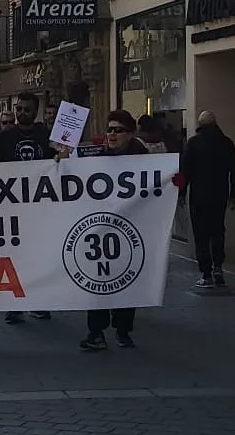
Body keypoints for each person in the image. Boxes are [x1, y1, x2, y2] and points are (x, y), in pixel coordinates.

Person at [80, 110, 148, 351]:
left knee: (126, 281)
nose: (111, 134)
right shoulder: (97, 157)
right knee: (97, 283)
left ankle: (123, 330)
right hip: (99, 232)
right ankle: (96, 332)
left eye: (117, 130)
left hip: (130, 232)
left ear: (130, 134)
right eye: (109, 129)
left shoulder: (144, 160)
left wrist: (175, 182)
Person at [0, 92, 52, 324]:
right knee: (14, 259)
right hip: (11, 209)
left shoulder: (48, 137)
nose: (22, 113)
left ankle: (40, 302)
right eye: (19, 109)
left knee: (41, 258)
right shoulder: (2, 139)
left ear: (35, 111)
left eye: (27, 109)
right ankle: (14, 305)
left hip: (41, 209)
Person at [180, 111, 235, 288]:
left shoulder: (193, 143)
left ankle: (206, 274)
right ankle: (218, 267)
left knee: (201, 234)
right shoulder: (226, 143)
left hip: (199, 196)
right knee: (217, 231)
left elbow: (185, 171)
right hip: (219, 195)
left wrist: (181, 194)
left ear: (200, 124)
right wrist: (234, 193)